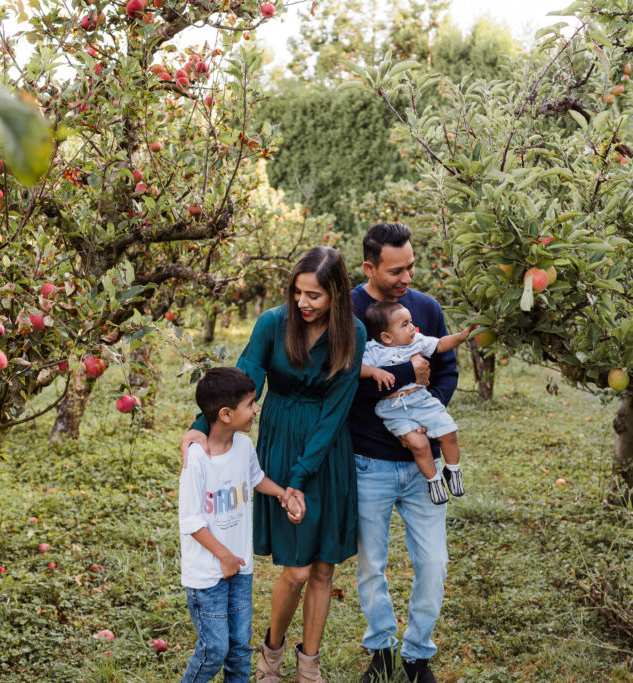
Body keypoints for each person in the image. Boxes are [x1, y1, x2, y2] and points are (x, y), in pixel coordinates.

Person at [181, 246, 366, 683]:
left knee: (323, 566)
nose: (303, 302)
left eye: (315, 295)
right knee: (297, 568)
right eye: (298, 292)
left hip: (327, 450)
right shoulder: (271, 324)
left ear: (336, 295)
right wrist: (201, 428)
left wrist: (303, 477)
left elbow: (336, 411)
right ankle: (271, 654)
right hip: (281, 444)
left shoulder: (352, 334)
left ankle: (309, 667)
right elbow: (244, 379)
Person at [350, 222, 458, 683]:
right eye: (397, 270)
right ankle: (382, 650)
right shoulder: (348, 312)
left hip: (422, 465)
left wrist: (419, 419)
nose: (407, 278)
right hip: (368, 461)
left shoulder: (426, 310)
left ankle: (417, 653)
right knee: (371, 565)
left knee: (433, 563)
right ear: (369, 267)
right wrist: (404, 384)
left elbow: (446, 371)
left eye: (411, 266)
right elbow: (342, 381)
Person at [179, 367, 305, 683]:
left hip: (240, 569)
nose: (255, 409)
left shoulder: (244, 447)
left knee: (238, 651)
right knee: (214, 650)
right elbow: (192, 520)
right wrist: (223, 556)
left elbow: (254, 478)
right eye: (250, 404)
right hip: (208, 575)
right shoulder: (197, 459)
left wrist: (282, 494)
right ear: (225, 414)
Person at [360, 300, 475, 505]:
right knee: (418, 444)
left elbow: (440, 344)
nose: (412, 327)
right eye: (404, 324)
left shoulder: (417, 341)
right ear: (386, 337)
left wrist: (461, 336)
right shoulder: (373, 350)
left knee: (448, 431)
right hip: (393, 408)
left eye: (411, 321)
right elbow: (355, 369)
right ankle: (434, 481)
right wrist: (374, 371)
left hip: (421, 400)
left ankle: (453, 470)